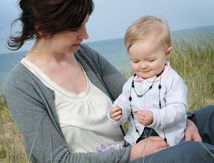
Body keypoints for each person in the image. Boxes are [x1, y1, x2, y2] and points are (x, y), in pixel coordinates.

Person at [3, 0, 214, 162]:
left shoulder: (85, 55)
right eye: (76, 28)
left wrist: (186, 122)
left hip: (133, 145)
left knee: (210, 116)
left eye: (84, 24)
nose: (85, 35)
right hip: (125, 156)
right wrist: (130, 154)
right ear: (43, 28)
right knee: (194, 153)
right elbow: (56, 159)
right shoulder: (22, 84)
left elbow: (137, 98)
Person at [109, 16, 187, 146]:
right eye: (135, 61)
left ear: (167, 52)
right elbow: (124, 102)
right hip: (136, 138)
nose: (143, 66)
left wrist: (155, 117)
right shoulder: (131, 83)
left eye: (150, 60)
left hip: (166, 139)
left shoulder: (172, 80)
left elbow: (178, 109)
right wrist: (118, 112)